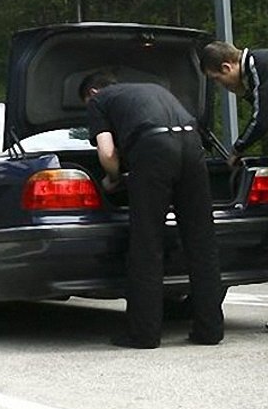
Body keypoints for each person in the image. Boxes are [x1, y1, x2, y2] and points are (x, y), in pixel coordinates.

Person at [79, 71, 224, 348]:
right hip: (192, 146)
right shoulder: (152, 88)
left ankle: (144, 334)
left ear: (93, 93)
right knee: (201, 242)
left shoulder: (99, 101)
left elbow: (107, 153)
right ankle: (210, 330)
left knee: (147, 244)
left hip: (153, 149)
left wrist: (113, 178)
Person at [201, 41, 268, 164]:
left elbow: (261, 120)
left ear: (226, 68)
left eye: (217, 78)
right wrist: (244, 93)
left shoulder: (258, 66)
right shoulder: (258, 63)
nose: (219, 84)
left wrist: (237, 149)